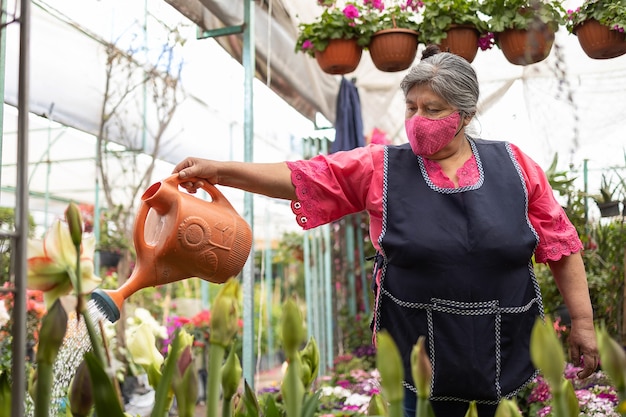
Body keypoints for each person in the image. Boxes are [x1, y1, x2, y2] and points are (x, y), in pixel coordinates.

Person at [173, 45, 598, 417]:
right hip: (418, 349)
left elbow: (561, 243)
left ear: (466, 114)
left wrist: (582, 322)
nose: (418, 119)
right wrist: (221, 170)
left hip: (504, 344)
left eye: (433, 110)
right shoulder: (382, 167)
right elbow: (305, 176)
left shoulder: (515, 166)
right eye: (411, 107)